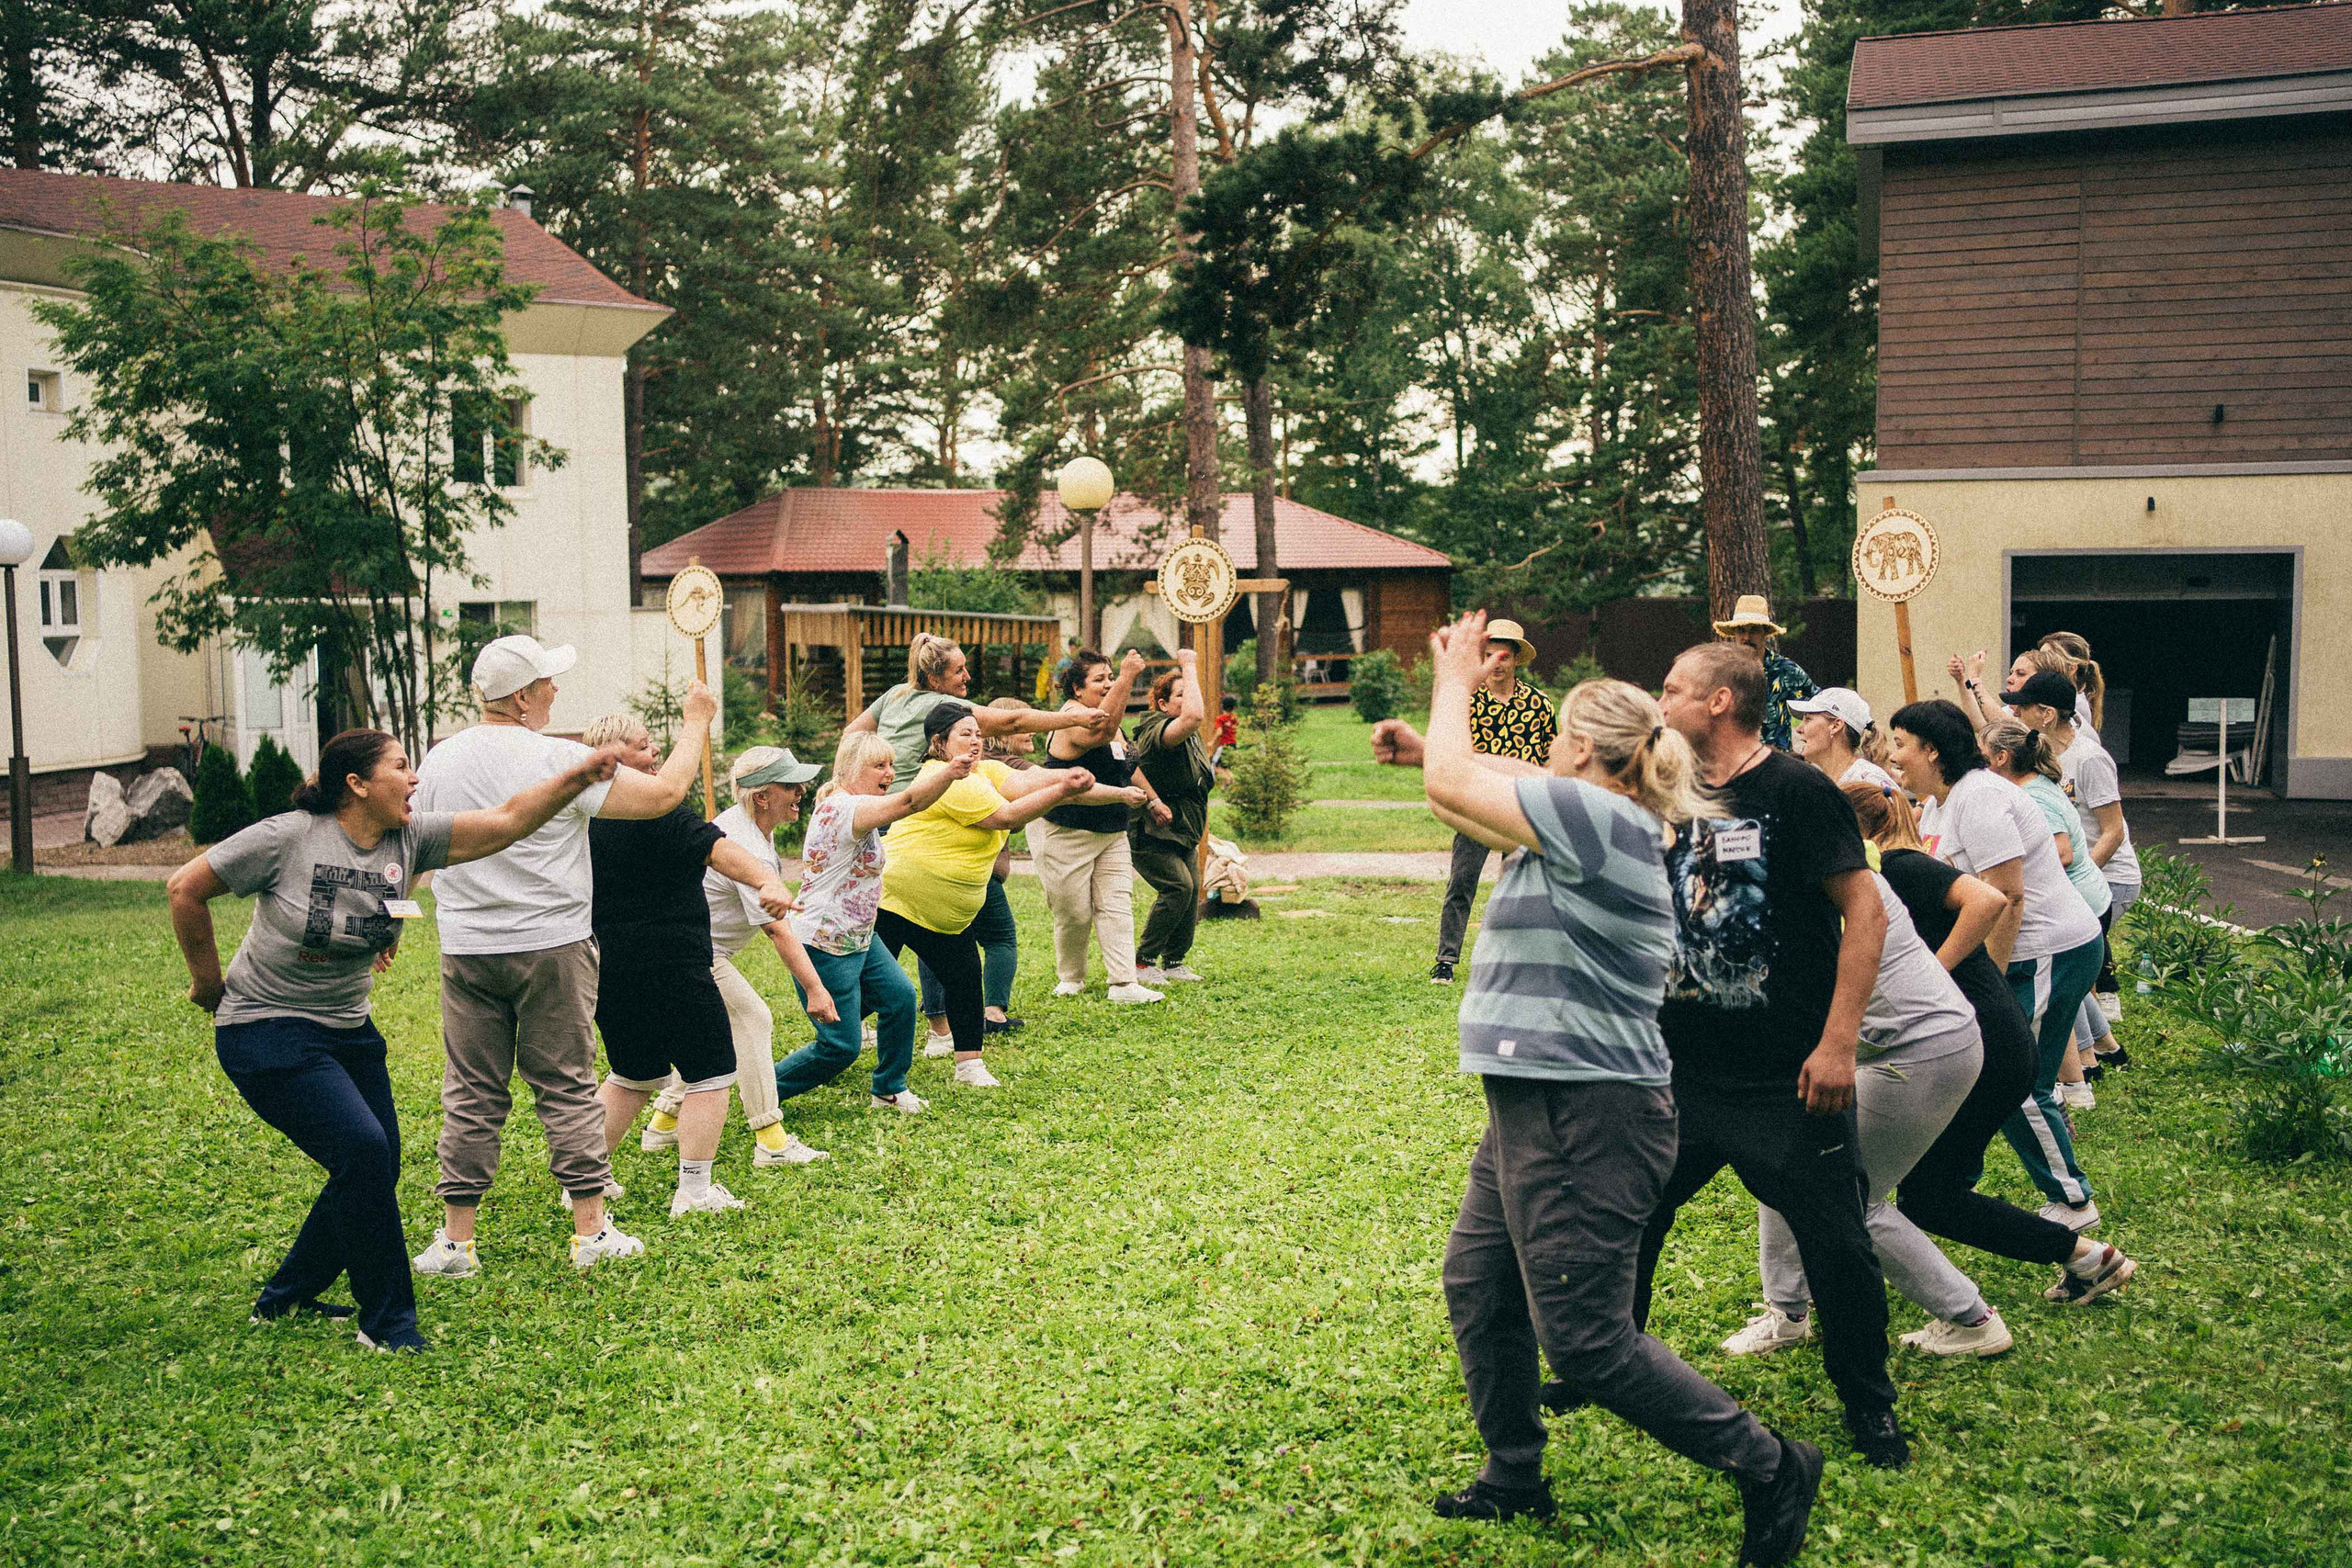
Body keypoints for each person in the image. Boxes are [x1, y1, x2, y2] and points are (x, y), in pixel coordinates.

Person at [1419, 612, 1821, 1566]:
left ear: (1590, 751)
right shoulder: (1589, 811)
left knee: (1588, 1342)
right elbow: (1472, 793)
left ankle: (1770, 1466)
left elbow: (1456, 779)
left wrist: (1451, 686)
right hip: (1535, 1101)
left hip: (1586, 1108)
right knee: (1481, 1288)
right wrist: (1428, 750)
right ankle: (1513, 1472)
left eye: (1558, 735)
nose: (1546, 751)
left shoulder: (1599, 819)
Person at [166, 728, 621, 1350]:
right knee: (361, 1149)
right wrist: (207, 983)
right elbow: (185, 888)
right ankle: (387, 1323)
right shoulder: (287, 837)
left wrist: (578, 776)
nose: (414, 779)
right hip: (266, 1028)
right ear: (355, 783)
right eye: (401, 767)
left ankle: (288, 1294)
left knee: (371, 1158)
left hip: (348, 1031)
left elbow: (509, 820)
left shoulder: (410, 837)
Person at [1636, 641, 1910, 1470]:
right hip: (1681, 1070)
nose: (1661, 699)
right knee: (1633, 1214)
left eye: (1672, 687)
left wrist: (1837, 1043)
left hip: (1787, 1075)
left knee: (1837, 1246)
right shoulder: (1670, 787)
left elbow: (1866, 914)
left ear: (1720, 701)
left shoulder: (1797, 791)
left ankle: (1870, 1405)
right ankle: (1605, 1358)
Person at [411, 635, 717, 1277]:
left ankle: (455, 1242)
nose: (555, 690)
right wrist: (695, 722)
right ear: (522, 696)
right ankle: (590, 1231)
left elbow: (414, 844)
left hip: (466, 947)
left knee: (470, 1092)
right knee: (568, 1088)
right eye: (547, 681)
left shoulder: (440, 758)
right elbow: (663, 797)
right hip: (551, 944)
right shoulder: (555, 758)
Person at [1847, 784, 2137, 1308]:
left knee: (1923, 1197)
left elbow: (1991, 898)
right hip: (1980, 1039)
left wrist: (1933, 973)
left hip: (1983, 1045)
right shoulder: (1873, 876)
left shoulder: (1897, 868)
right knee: (1926, 1193)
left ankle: (2077, 1260)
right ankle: (2088, 1259)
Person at [1741, 849, 2001, 1360]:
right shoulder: (1834, 873)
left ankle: (1973, 1318)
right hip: (1912, 1043)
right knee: (1780, 1165)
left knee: (1852, 1199)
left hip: (1920, 1050)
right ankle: (1787, 1312)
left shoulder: (1818, 895)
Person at [1888, 699, 2107, 1233]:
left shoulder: (1980, 799)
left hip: (2048, 948)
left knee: (2018, 1073)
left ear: (1932, 750)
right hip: (2018, 954)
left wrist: (1985, 984)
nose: (1892, 757)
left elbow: (2007, 895)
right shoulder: (1939, 803)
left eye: (1900, 745)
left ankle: (2074, 1202)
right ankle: (1961, 1182)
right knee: (2002, 1072)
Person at [580, 722, 813, 1199]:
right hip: (675, 960)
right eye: (644, 747)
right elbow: (720, 849)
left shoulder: (582, 817)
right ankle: (695, 1192)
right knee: (712, 1074)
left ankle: (583, 1182)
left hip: (609, 963)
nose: (656, 751)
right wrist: (766, 880)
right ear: (612, 761)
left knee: (632, 1074)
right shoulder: (657, 813)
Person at [876, 702, 1104, 1087]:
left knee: (965, 979)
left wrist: (1081, 780)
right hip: (899, 898)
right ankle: (836, 1040)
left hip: (944, 908)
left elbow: (1026, 784)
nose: (975, 740)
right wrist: (1064, 787)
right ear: (938, 743)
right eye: (965, 734)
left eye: (978, 733)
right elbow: (1006, 816)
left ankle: (969, 1066)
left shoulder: (984, 771)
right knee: (869, 990)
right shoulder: (946, 778)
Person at [771, 732, 977, 1118]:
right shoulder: (843, 808)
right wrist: (949, 772)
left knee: (899, 1000)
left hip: (861, 937)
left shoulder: (858, 806)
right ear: (850, 770)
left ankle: (889, 1088)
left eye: (891, 765)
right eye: (879, 765)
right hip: (825, 942)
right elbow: (910, 801)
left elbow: (908, 804)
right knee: (839, 1047)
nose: (889, 773)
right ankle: (763, 1091)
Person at [1395, 617, 1555, 987]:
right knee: (1462, 882)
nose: (1496, 662)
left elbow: (1550, 755)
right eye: (1488, 655)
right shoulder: (1468, 700)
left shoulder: (1539, 704)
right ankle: (1446, 960)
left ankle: (1516, 964)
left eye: (1503, 655)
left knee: (1521, 887)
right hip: (1474, 800)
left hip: (1521, 804)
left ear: (1516, 659)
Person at [2010, 669, 2143, 1066]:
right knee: (2073, 974)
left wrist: (2070, 883)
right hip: (2069, 874)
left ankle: (2083, 1064)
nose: (2014, 712)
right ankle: (2105, 1050)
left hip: (2108, 877)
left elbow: (2114, 831)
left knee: (2064, 971)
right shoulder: (2043, 753)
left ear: (2047, 714)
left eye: (2022, 706)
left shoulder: (2088, 758)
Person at [1983, 713, 2108, 1110]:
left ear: (2001, 758)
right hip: (2078, 913)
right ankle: (2074, 1086)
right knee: (2056, 1009)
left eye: (1979, 751)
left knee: (2041, 1016)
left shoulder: (2031, 795)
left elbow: (2064, 852)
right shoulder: (2029, 783)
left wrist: (2009, 860)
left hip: (2077, 906)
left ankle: (2055, 1092)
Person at [1031, 649, 1161, 1003]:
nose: (1107, 685)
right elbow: (1101, 734)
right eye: (1099, 680)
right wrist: (1126, 677)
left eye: (1110, 677)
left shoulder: (1110, 717)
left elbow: (1126, 765)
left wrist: (1153, 800)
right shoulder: (1072, 719)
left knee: (1117, 903)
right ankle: (1071, 978)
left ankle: (1123, 983)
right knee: (1074, 911)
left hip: (1112, 829)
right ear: (1076, 689)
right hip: (1068, 831)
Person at [846, 632, 1111, 790]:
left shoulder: (896, 693)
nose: (968, 676)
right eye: (958, 671)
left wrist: (844, 784)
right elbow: (1013, 721)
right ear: (934, 679)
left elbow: (851, 735)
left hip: (877, 801)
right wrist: (1074, 718)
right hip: (904, 813)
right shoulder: (942, 706)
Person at [1131, 649, 1214, 984]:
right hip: (1152, 831)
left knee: (1192, 891)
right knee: (1178, 887)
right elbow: (1194, 716)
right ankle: (1143, 961)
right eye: (1181, 694)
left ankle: (1174, 961)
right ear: (1163, 704)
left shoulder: (1187, 735)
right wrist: (1190, 664)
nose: (1189, 700)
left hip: (1183, 828)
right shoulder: (1159, 730)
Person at [1712, 596, 1816, 752]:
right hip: (1733, 761)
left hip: (1778, 764)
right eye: (1741, 630)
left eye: (1754, 630)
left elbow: (1818, 706)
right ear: (1734, 634)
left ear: (1765, 633)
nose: (1746, 638)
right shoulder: (1721, 671)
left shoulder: (1785, 670)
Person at [1788, 687, 1897, 792]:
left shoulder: (1870, 782)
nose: (1799, 729)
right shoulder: (1825, 782)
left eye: (1808, 719)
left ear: (1836, 726)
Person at [1210, 694, 1239, 771]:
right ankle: (1229, 781)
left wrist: (1212, 742)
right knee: (1227, 767)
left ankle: (1227, 781)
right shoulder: (1234, 717)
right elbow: (1236, 724)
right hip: (1233, 745)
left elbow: (1219, 732)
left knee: (1213, 764)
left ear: (1222, 706)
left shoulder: (1220, 718)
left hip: (1224, 746)